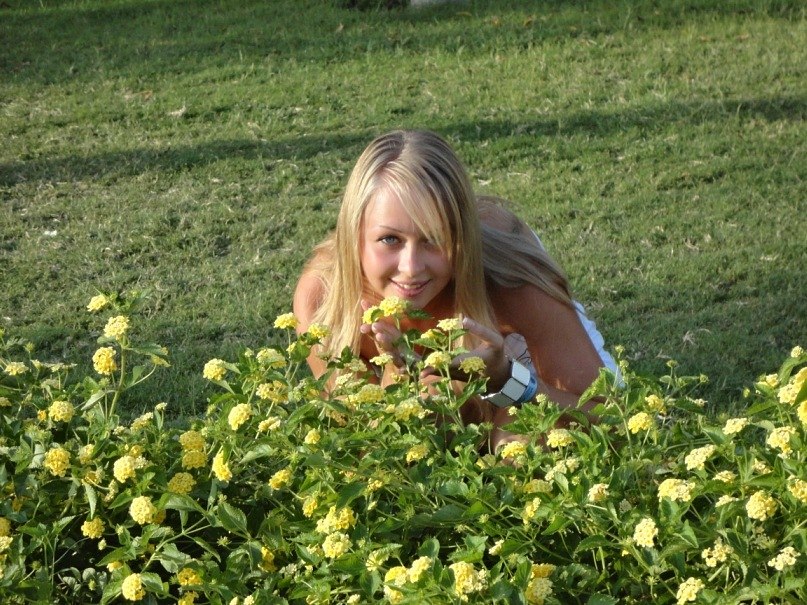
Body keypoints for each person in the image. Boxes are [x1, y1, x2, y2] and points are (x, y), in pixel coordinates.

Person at [293, 129, 617, 450]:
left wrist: (505, 378)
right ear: (355, 232)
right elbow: (367, 444)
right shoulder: (322, 299)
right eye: (390, 239)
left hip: (523, 371)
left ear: (462, 236)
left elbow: (611, 418)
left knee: (518, 445)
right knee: (430, 421)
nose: (411, 267)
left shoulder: (509, 275)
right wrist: (396, 369)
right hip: (436, 396)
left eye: (435, 238)